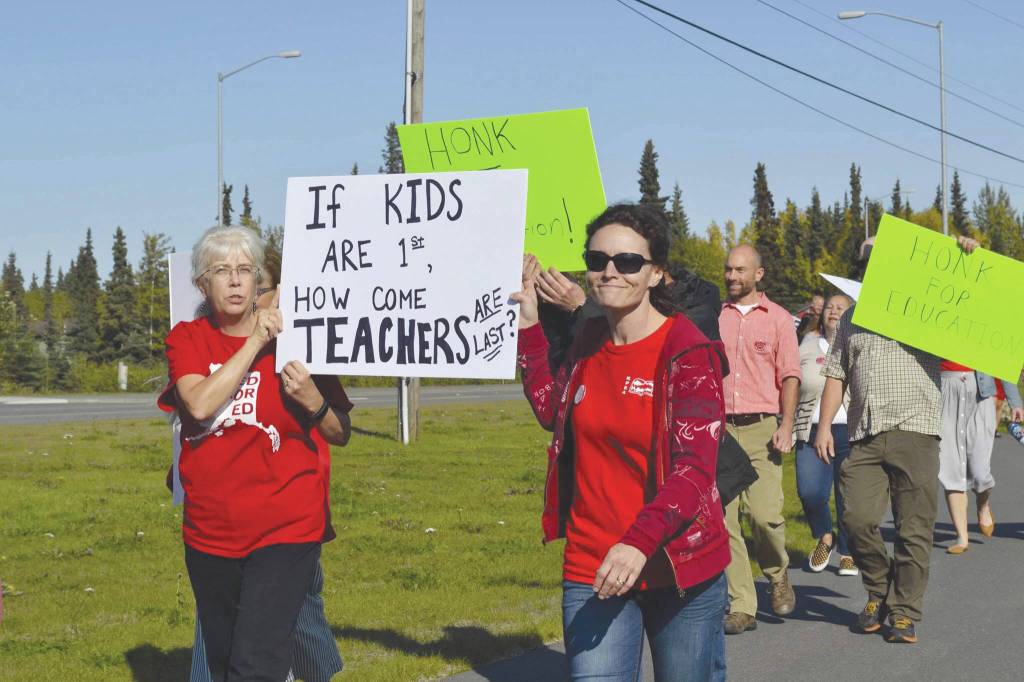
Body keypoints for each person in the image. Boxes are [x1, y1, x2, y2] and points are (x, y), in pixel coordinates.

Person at [515, 203, 730, 681]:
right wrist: (529, 326)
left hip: (678, 567)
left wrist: (637, 543)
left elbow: (694, 470)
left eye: (628, 262)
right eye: (597, 260)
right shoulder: (587, 339)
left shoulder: (689, 351)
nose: (610, 272)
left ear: (656, 274)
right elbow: (552, 410)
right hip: (594, 563)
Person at [158, 225, 353, 680]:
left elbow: (340, 430)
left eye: (244, 270)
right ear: (201, 283)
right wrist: (255, 342)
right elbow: (202, 404)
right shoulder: (187, 339)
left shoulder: (299, 341)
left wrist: (313, 401)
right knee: (225, 660)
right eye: (221, 270)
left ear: (258, 280)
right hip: (210, 534)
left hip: (285, 529)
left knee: (255, 665)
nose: (234, 280)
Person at [816, 235, 980, 644]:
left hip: (917, 432)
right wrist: (822, 426)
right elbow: (836, 374)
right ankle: (880, 588)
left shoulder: (929, 311)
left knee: (913, 529)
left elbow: (972, 309)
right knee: (857, 519)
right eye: (867, 258)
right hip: (865, 435)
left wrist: (965, 256)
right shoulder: (852, 317)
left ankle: (902, 611)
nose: (874, 262)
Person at [718, 245, 801, 635]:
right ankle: (742, 605)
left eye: (740, 270)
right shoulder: (714, 317)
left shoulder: (780, 319)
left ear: (759, 274)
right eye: (728, 269)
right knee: (725, 519)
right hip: (720, 430)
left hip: (763, 427)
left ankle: (778, 572)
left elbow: (790, 376)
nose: (732, 276)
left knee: (765, 516)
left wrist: (786, 425)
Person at [792, 294, 857, 576]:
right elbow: (792, 381)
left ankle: (847, 552)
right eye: (830, 307)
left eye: (840, 308)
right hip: (811, 428)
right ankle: (824, 536)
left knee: (848, 497)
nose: (833, 312)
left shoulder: (857, 344)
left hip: (850, 431)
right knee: (810, 492)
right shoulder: (806, 345)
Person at [937, 362, 1023, 554]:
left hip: (980, 392)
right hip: (944, 388)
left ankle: (983, 505)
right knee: (951, 467)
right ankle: (962, 537)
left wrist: (1015, 402)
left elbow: (1001, 359)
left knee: (980, 473)